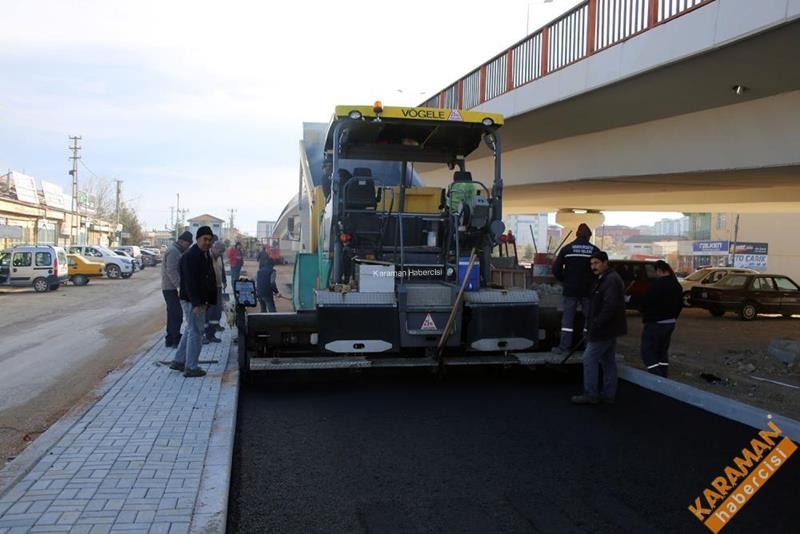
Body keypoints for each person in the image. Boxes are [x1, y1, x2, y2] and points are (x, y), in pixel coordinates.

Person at [572, 250, 627, 405]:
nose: (593, 266)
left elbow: (610, 305)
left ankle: (591, 394)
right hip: (609, 328)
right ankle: (608, 394)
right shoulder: (604, 278)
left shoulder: (610, 280)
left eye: (596, 263)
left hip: (604, 329)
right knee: (608, 361)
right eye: (591, 263)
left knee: (589, 359)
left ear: (605, 262)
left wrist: (596, 323)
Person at [170, 226, 217, 378]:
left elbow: (208, 278)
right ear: (197, 239)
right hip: (192, 300)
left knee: (191, 329)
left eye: (210, 240)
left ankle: (179, 361)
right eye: (205, 239)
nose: (207, 242)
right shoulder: (191, 256)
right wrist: (197, 304)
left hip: (198, 300)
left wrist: (209, 300)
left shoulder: (204, 254)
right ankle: (191, 367)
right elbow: (190, 282)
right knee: (196, 332)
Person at [551, 223, 600, 354]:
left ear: (577, 234)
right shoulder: (595, 250)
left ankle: (564, 347)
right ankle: (588, 347)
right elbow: (600, 271)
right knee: (589, 319)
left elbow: (556, 269)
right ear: (589, 236)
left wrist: (565, 280)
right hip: (588, 291)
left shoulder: (567, 249)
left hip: (570, 290)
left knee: (568, 320)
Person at [628, 260, 683, 377]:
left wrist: (629, 299)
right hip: (670, 323)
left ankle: (656, 376)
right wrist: (673, 317)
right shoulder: (676, 285)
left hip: (656, 323)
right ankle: (663, 377)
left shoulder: (658, 284)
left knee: (648, 352)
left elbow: (647, 300)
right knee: (662, 352)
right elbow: (680, 304)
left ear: (659, 270)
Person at [161, 231, 193, 348]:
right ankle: (175, 339)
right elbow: (172, 271)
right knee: (176, 314)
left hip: (171, 287)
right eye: (187, 244)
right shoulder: (174, 251)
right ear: (181, 241)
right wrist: (179, 287)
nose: (187, 246)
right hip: (171, 288)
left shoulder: (177, 250)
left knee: (172, 314)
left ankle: (170, 339)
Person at [203, 241, 227, 344]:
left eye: (222, 252)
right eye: (220, 251)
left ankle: (211, 335)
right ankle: (203, 335)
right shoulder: (206, 257)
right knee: (208, 313)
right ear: (214, 248)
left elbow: (222, 270)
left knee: (217, 313)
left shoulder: (219, 258)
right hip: (209, 290)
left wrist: (224, 280)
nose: (221, 254)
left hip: (218, 288)